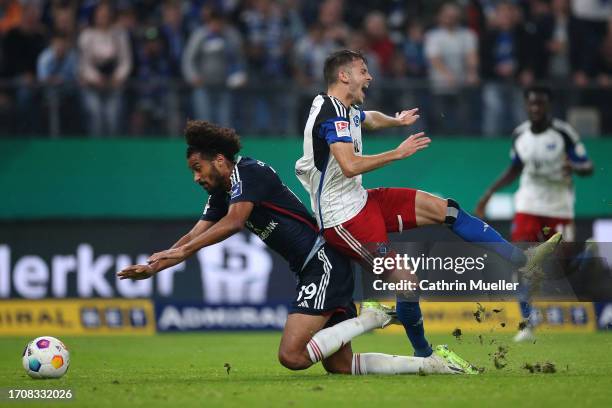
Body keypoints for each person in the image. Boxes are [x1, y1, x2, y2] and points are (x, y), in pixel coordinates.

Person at [117, 120, 477, 375]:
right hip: (316, 266)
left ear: (220, 160)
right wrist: (155, 265)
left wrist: (182, 254)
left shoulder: (250, 173)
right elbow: (192, 235)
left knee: (292, 356)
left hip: (321, 263)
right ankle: (429, 365)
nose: (196, 177)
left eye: (198, 168)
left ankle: (375, 316)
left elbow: (235, 222)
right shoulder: (222, 194)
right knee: (339, 365)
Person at [295, 49, 560, 358]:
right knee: (408, 282)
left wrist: (396, 121)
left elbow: (369, 120)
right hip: (343, 220)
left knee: (446, 209)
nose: (369, 77)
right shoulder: (331, 115)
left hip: (361, 200)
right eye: (363, 71)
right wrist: (397, 152)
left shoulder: (345, 108)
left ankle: (523, 261)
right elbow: (350, 165)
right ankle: (426, 356)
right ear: (344, 76)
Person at [475, 85, 593, 342]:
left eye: (540, 104)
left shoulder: (564, 133)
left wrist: (574, 165)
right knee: (522, 263)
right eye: (532, 104)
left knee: (562, 267)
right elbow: (514, 169)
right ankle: (528, 323)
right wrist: (488, 194)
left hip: (559, 206)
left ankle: (583, 254)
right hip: (528, 204)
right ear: (527, 106)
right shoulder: (520, 135)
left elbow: (587, 166)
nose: (536, 109)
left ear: (549, 106)